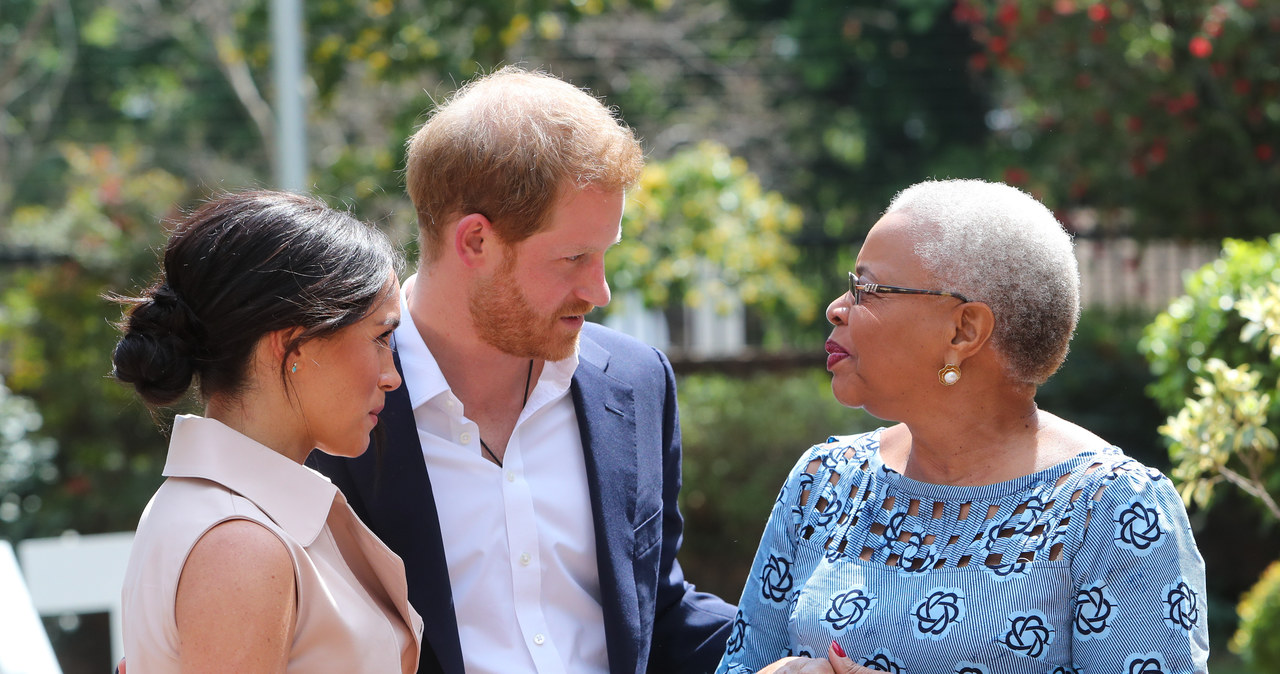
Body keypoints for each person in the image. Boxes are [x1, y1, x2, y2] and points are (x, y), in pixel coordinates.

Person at [308, 66, 736, 674]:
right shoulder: (327, 399)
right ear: (475, 242)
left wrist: (790, 649)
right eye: (573, 258)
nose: (601, 290)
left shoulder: (637, 381)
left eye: (605, 254)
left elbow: (657, 614)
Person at [716, 179, 1209, 674]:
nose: (837, 307)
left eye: (866, 289)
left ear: (963, 331)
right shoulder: (825, 481)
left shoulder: (1111, 510)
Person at [112, 190, 423, 673]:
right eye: (381, 338)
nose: (392, 374)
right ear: (291, 345)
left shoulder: (229, 514)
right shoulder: (241, 542)